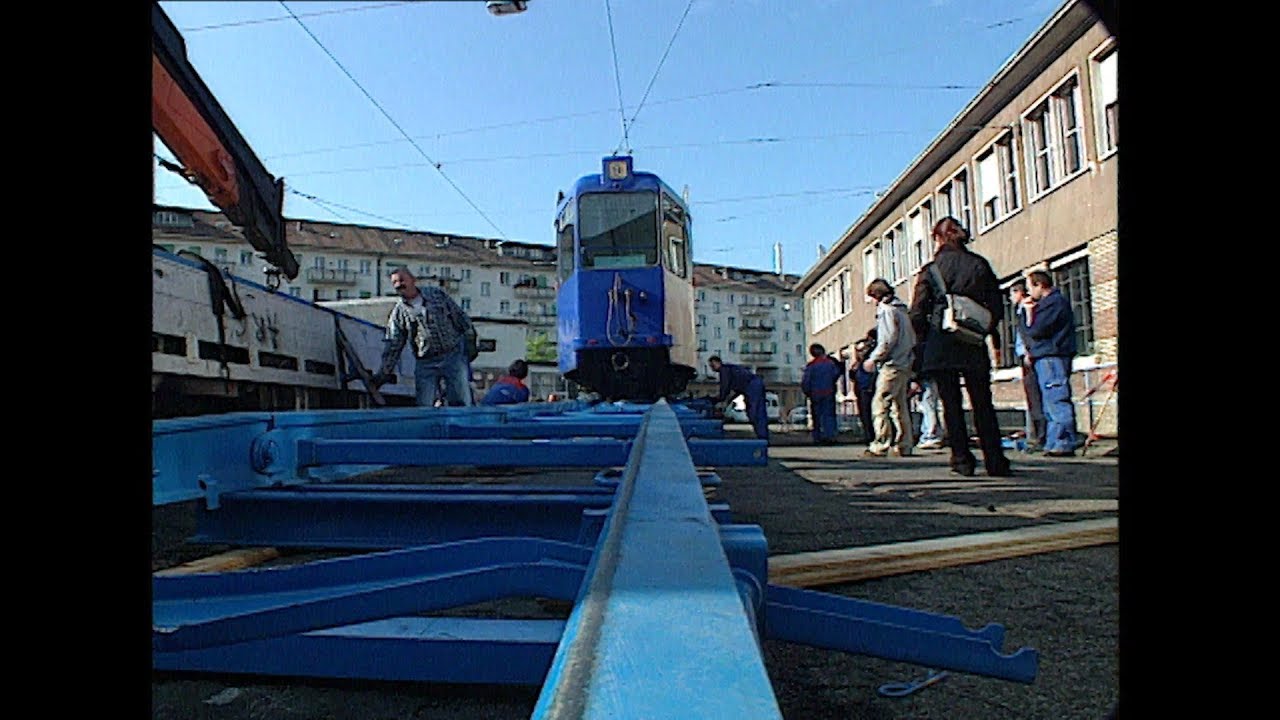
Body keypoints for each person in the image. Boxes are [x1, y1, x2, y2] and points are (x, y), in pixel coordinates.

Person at [907, 217, 1010, 477]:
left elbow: (917, 313)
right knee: (983, 403)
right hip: (973, 340)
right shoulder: (979, 264)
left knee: (951, 404)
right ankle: (995, 460)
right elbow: (996, 305)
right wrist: (984, 329)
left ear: (938, 238)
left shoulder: (931, 270)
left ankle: (962, 459)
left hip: (942, 342)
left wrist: (921, 345)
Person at [373, 267, 476, 407]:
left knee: (460, 399)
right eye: (395, 283)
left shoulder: (436, 295)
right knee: (424, 403)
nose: (399, 285)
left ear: (413, 280)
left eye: (402, 280)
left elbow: (460, 318)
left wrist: (470, 342)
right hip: (426, 361)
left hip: (452, 355)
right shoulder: (399, 313)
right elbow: (393, 345)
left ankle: (463, 426)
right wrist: (383, 373)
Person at [1025, 270, 1079, 457]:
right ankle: (1054, 440)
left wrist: (1029, 313)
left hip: (1052, 355)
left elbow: (1036, 330)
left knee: (1056, 398)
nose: (1029, 292)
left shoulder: (1053, 303)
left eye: (1030, 287)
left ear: (1040, 285)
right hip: (1047, 355)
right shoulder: (1049, 304)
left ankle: (1063, 441)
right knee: (1049, 401)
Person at [862, 279, 916, 457]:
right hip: (905, 362)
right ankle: (904, 444)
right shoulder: (902, 309)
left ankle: (880, 444)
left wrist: (873, 358)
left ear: (876, 295)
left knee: (880, 404)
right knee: (899, 406)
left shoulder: (886, 311)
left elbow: (887, 339)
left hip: (892, 364)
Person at [1010, 279, 1047, 452]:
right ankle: (1037, 434)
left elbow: (1029, 331)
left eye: (1012, 293)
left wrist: (1027, 352)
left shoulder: (1028, 307)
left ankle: (1041, 436)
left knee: (1036, 396)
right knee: (1032, 397)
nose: (1010, 298)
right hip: (1025, 355)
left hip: (1029, 355)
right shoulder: (1021, 310)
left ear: (1019, 293)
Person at [708, 355, 769, 441]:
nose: (712, 368)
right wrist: (727, 400)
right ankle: (761, 435)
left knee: (755, 411)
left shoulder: (724, 370)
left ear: (718, 363)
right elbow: (735, 390)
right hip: (753, 385)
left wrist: (719, 399)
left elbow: (725, 388)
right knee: (756, 411)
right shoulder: (731, 370)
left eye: (712, 365)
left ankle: (762, 436)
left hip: (752, 386)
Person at [801, 343, 841, 444]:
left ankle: (818, 436)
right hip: (828, 392)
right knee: (829, 415)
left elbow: (806, 381)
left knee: (817, 416)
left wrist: (807, 392)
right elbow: (835, 374)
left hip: (815, 394)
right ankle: (830, 435)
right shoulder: (830, 364)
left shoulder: (811, 365)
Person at [849, 334, 878, 444]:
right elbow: (852, 377)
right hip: (861, 391)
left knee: (870, 414)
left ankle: (872, 435)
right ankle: (868, 435)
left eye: (861, 350)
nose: (859, 353)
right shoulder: (858, 364)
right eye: (858, 351)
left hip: (869, 390)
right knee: (864, 415)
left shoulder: (869, 361)